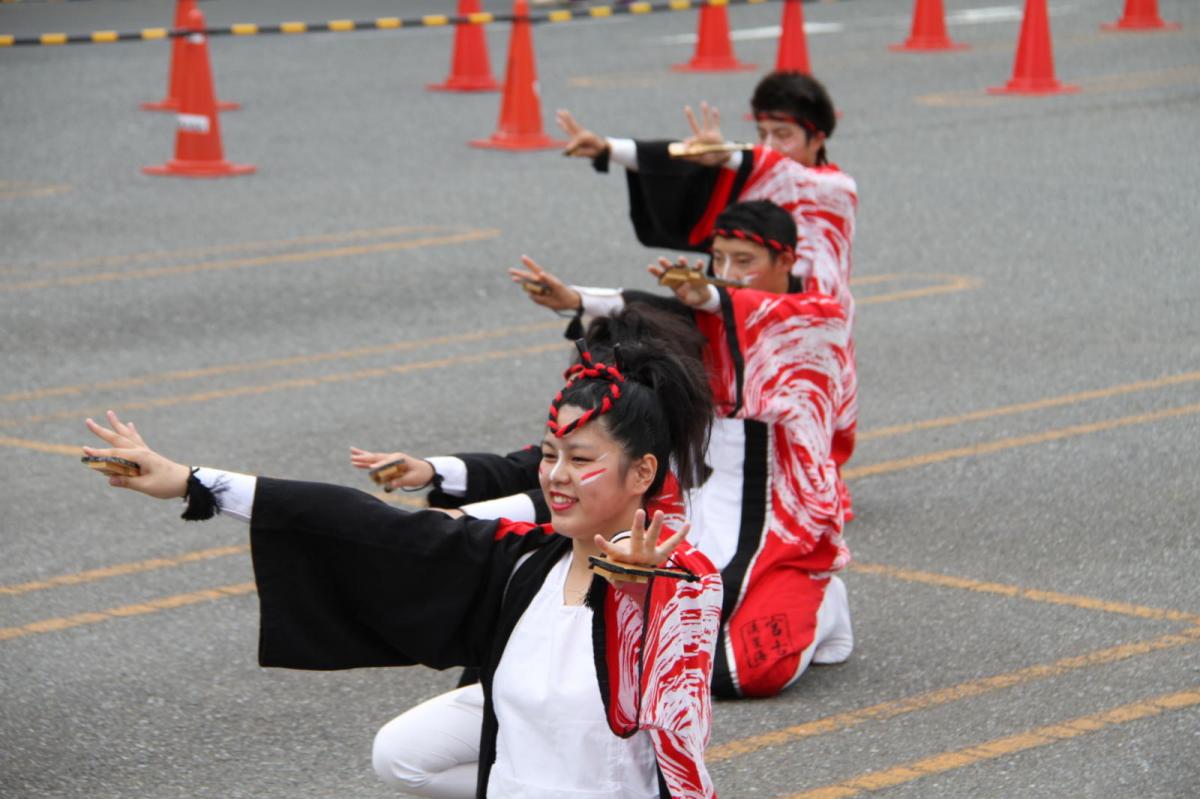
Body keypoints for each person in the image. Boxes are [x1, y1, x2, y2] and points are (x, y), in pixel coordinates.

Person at [80, 310, 723, 799]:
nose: (555, 475)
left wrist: (639, 590)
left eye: (580, 459)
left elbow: (670, 709)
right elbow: (367, 525)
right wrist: (194, 483)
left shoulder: (684, 583)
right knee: (401, 751)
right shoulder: (522, 565)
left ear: (642, 473)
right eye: (550, 455)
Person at [555, 70, 860, 519]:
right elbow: (703, 167)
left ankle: (812, 488)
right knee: (733, 391)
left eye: (783, 134)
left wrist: (734, 154)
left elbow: (766, 168)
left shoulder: (833, 188)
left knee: (815, 413)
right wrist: (609, 149)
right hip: (745, 311)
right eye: (762, 133)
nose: (771, 145)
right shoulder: (760, 178)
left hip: (808, 320)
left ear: (818, 138)